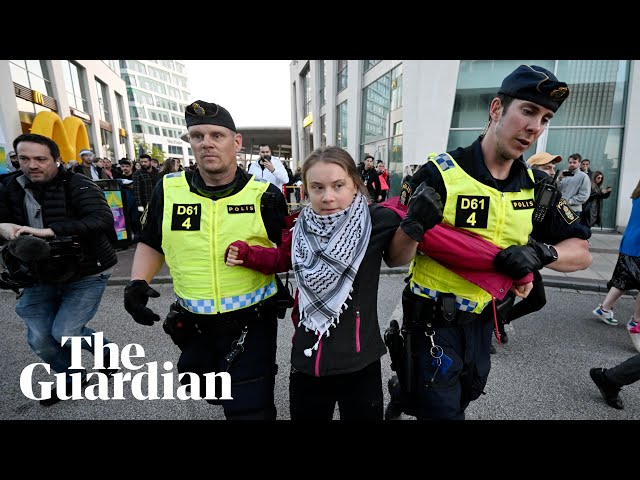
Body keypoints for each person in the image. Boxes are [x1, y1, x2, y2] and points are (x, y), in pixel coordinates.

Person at [385, 64, 592, 420]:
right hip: (431, 325)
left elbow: (582, 252)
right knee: (444, 412)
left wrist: (542, 252)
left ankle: (404, 394)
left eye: (545, 118)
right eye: (527, 111)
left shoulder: (538, 188)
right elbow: (394, 258)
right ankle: (410, 391)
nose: (534, 127)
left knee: (465, 396)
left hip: (483, 324)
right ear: (496, 109)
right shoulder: (439, 173)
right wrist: (414, 225)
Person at [122, 100, 289, 420]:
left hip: (251, 323)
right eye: (198, 136)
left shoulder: (265, 194)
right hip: (195, 325)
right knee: (205, 389)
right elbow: (152, 242)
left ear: (236, 142)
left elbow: (286, 255)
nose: (207, 143)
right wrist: (137, 282)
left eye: (217, 135)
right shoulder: (168, 189)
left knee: (249, 408)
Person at [225, 146, 404, 420]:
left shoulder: (376, 221)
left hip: (360, 360)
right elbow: (280, 259)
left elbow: (416, 236)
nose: (328, 197)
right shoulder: (300, 225)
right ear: (306, 190)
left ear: (355, 185)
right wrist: (247, 254)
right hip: (308, 357)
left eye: (338, 185)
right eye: (317, 187)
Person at [0, 133, 118, 406]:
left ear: (57, 160)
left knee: (65, 332)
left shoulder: (79, 185)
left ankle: (105, 350)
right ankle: (72, 377)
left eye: (41, 159)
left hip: (87, 272)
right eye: (25, 159)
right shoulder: (8, 187)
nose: (32, 165)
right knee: (41, 338)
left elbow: (101, 219)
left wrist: (49, 232)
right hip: (36, 275)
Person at [492, 152, 592, 351]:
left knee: (536, 299)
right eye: (547, 167)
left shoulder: (549, 194)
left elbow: (579, 237)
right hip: (495, 257)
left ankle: (501, 320)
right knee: (501, 297)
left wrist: (540, 253)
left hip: (526, 257)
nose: (551, 172)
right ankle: (487, 328)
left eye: (553, 168)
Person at [592, 179, 640, 336]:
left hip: (629, 243)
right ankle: (636, 321)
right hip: (638, 245)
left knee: (623, 280)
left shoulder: (637, 195)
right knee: (626, 280)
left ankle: (604, 309)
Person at [557, 153, 591, 222]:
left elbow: (584, 195)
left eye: (574, 162)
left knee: (569, 231)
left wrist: (569, 202)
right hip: (559, 209)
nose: (572, 164)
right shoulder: (564, 174)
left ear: (579, 163)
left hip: (573, 210)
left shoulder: (583, 176)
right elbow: (557, 190)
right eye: (570, 162)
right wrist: (559, 178)